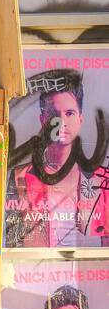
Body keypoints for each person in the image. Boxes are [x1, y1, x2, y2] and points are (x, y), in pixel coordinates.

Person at [6, 70, 109, 247]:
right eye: (54, 113)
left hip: (87, 273)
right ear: (43, 119)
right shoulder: (20, 177)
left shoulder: (102, 180)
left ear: (80, 119)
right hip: (35, 273)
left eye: (69, 113)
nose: (61, 121)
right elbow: (12, 243)